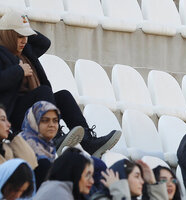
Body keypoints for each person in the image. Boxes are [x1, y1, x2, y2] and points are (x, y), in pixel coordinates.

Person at [0, 12, 119, 155]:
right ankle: (54, 137)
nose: (24, 40)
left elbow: (44, 42)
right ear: (8, 35)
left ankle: (88, 142)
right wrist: (19, 71)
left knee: (64, 96)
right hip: (14, 115)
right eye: (19, 36)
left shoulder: (25, 51)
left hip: (34, 107)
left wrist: (23, 26)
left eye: (26, 36)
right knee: (44, 91)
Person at [18, 101, 82, 185]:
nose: (51, 125)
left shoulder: (48, 146)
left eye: (55, 120)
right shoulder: (24, 144)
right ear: (34, 121)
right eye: (45, 120)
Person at [0, 103, 35, 168]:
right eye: (3, 119)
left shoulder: (6, 148)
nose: (9, 124)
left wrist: (12, 137)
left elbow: (31, 164)